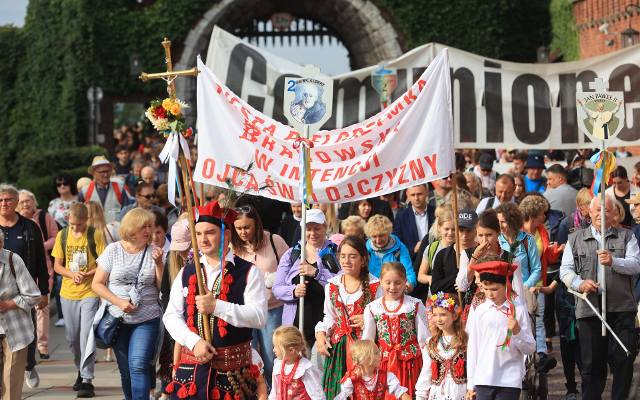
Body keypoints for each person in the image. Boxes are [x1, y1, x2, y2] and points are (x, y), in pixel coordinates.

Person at [162, 200, 267, 400]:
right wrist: (194, 342)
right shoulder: (187, 271)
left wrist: (217, 306)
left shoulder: (248, 272)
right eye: (199, 233)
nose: (203, 239)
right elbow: (171, 316)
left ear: (226, 234)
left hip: (233, 375)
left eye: (209, 232)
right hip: (191, 374)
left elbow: (259, 317)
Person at [559, 195, 640, 400]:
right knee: (592, 368)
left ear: (614, 214)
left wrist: (614, 261)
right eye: (596, 210)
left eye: (605, 210)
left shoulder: (627, 236)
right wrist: (580, 283)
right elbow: (565, 271)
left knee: (623, 361)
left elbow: (636, 264)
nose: (601, 214)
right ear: (589, 213)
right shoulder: (575, 238)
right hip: (590, 311)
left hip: (622, 311)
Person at [92, 208, 164, 400]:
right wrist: (118, 301)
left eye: (150, 226)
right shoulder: (113, 250)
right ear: (131, 228)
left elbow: (160, 288)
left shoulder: (154, 252)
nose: (149, 230)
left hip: (147, 318)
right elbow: (97, 284)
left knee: (139, 365)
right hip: (118, 318)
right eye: (144, 226)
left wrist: (158, 265)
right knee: (125, 370)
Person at [315, 236, 382, 400]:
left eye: (352, 256)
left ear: (363, 259)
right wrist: (321, 334)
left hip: (364, 351)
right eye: (343, 256)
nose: (346, 261)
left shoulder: (376, 285)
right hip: (338, 351)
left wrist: (369, 320)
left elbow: (385, 317)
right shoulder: (332, 285)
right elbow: (329, 317)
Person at [52, 203, 105, 397]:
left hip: (89, 291)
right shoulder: (62, 235)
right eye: (73, 225)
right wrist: (71, 274)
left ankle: (87, 378)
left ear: (86, 221)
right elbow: (58, 265)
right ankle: (79, 369)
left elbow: (103, 262)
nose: (76, 228)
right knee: (72, 338)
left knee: (86, 336)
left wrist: (87, 273)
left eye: (80, 225)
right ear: (68, 221)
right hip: (68, 292)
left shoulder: (95, 235)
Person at [231, 204, 288, 383]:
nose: (243, 232)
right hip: (246, 311)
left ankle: (274, 391)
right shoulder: (233, 247)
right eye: (238, 228)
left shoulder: (274, 240)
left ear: (256, 225)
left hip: (272, 308)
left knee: (273, 357)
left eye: (247, 227)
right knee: (249, 357)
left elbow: (290, 266)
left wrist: (277, 278)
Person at [466, 260, 536, 400]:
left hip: (509, 380)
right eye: (485, 289)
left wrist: (517, 332)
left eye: (494, 289)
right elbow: (473, 347)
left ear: (506, 286)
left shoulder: (518, 310)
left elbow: (530, 348)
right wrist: (470, 383)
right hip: (484, 379)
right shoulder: (480, 311)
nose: (490, 294)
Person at [0, 184, 48, 389]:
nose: (4, 204)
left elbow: (40, 260)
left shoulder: (29, 227)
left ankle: (28, 364)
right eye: (0, 200)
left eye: (9, 199)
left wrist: (44, 290)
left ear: (17, 202)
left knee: (25, 330)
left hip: (23, 288)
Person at [362, 262, 429, 399]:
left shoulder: (414, 305)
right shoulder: (372, 307)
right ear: (380, 282)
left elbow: (424, 339)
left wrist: (428, 366)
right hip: (383, 364)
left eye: (398, 283)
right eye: (388, 282)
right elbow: (368, 341)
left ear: (405, 282)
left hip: (410, 364)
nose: (392, 287)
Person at [273, 208, 338, 347]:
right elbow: (277, 288)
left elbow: (342, 286)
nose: (312, 233)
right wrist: (293, 291)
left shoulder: (336, 252)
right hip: (297, 328)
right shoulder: (292, 254)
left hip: (327, 328)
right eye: (308, 229)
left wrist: (317, 273)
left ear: (325, 227)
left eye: (317, 228)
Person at [0, 230, 41, 400]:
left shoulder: (12, 259)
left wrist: (8, 304)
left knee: (11, 388)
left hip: (15, 332)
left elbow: (33, 295)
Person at [17, 189, 57, 360]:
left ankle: (42, 345)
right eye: (22, 201)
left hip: (43, 266)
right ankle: (26, 344)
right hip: (19, 270)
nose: (26, 204)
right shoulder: (13, 221)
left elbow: (56, 237)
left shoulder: (44, 217)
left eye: (28, 200)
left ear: (34, 202)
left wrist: (40, 247)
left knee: (42, 307)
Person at [415, 292, 467, 400]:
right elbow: (427, 371)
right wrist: (421, 395)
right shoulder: (431, 343)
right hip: (438, 393)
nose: (438, 319)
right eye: (435, 315)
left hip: (460, 392)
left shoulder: (466, 340)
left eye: (443, 314)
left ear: (454, 315)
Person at [335, 340, 410, 400]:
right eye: (376, 353)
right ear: (366, 358)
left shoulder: (385, 377)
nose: (380, 354)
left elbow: (400, 392)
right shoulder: (353, 379)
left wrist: (404, 396)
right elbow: (342, 396)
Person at [430, 210, 478, 296]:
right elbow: (435, 288)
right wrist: (459, 277)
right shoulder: (442, 255)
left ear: (476, 230)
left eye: (469, 230)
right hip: (451, 307)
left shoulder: (482, 253)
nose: (464, 235)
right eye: (461, 230)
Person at [269, 326, 324, 400]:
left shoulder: (304, 368)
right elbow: (274, 392)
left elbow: (317, 394)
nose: (273, 350)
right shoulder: (278, 365)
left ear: (291, 350)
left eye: (276, 347)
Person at [365, 215, 416, 291]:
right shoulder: (365, 249)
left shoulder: (400, 248)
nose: (378, 240)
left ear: (388, 233)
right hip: (371, 290)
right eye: (374, 236)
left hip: (393, 290)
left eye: (381, 235)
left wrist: (409, 285)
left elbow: (408, 272)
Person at [78, 155, 131, 224]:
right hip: (93, 233)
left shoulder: (119, 188)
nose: (105, 174)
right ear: (94, 173)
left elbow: (128, 211)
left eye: (108, 171)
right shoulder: (85, 191)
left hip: (116, 232)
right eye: (102, 172)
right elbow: (79, 215)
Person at [417, 205, 457, 291]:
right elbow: (420, 276)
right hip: (436, 297)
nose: (450, 233)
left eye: (454, 229)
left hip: (457, 296)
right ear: (439, 228)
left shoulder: (460, 247)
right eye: (446, 229)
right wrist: (430, 279)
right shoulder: (432, 248)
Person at [393, 184, 435, 260]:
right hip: (412, 261)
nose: (416, 198)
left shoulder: (436, 213)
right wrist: (413, 249)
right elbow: (397, 243)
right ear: (407, 195)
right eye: (412, 195)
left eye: (419, 194)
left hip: (434, 259)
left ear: (426, 193)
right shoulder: (401, 217)